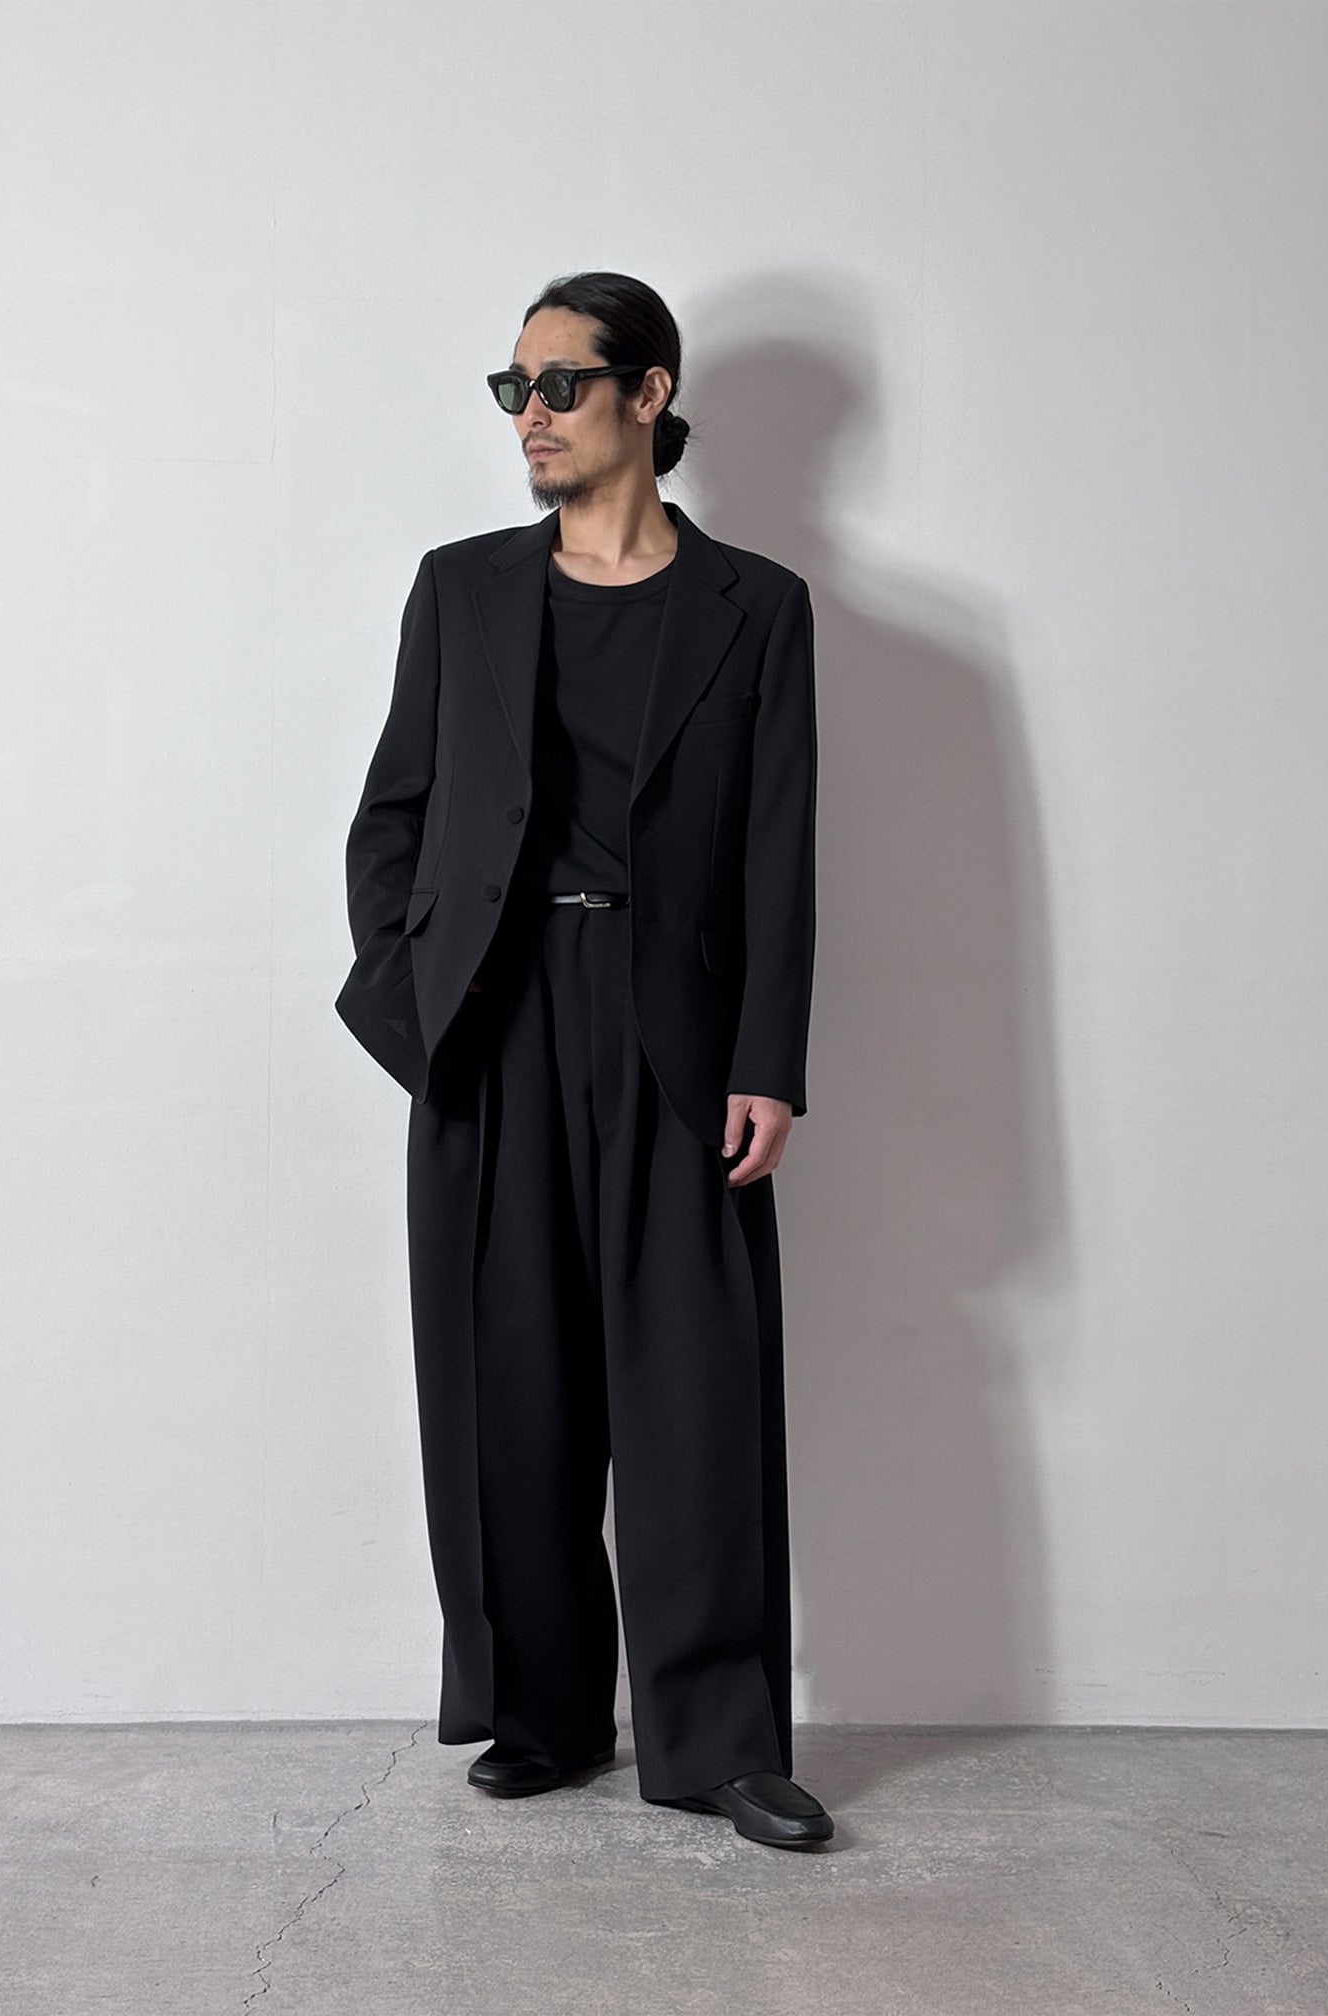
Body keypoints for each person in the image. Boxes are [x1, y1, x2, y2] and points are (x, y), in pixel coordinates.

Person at [336, 271, 830, 1850]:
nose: (531, 417)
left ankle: (718, 1742)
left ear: (649, 394)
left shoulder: (756, 606)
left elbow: (778, 851)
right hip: (494, 1019)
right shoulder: (463, 590)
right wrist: (418, 1019)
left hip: (678, 1032)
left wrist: (768, 1059)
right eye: (516, 389)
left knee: (697, 1395)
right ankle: (540, 1713)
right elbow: (394, 818)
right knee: (508, 1384)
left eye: (560, 385)